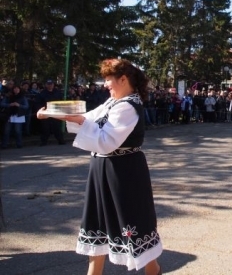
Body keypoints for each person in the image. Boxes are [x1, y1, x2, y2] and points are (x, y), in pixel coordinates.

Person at [37, 59, 162, 275]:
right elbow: (88, 117)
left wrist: (79, 121)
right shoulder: (112, 102)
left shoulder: (128, 106)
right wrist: (56, 113)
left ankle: (153, 270)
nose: (105, 84)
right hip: (103, 168)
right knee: (98, 222)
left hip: (124, 172)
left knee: (132, 221)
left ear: (123, 79)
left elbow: (106, 140)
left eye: (108, 79)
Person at [36, 79, 66, 146]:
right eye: (48, 84)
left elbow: (61, 101)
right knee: (45, 128)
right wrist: (42, 110)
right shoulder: (42, 93)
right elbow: (38, 103)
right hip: (46, 112)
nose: (50, 86)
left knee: (57, 127)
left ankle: (61, 141)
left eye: (51, 84)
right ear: (46, 85)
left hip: (56, 112)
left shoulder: (57, 92)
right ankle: (43, 142)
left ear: (53, 85)